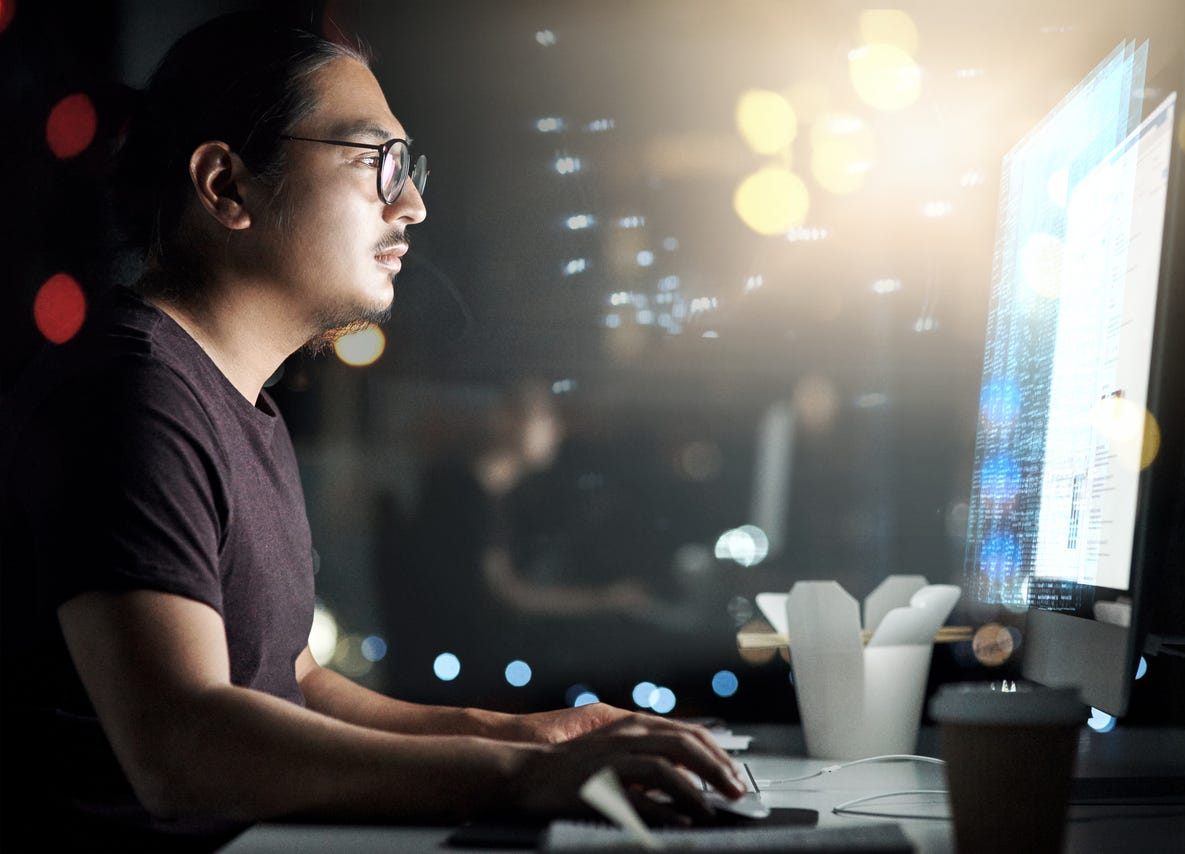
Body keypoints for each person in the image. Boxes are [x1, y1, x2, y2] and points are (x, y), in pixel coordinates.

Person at [0, 12, 744, 853]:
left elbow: (296, 681)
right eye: (377, 162)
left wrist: (531, 737)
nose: (415, 204)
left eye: (411, 167)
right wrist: (515, 780)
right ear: (226, 187)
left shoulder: (234, 401)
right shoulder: (130, 396)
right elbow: (178, 747)